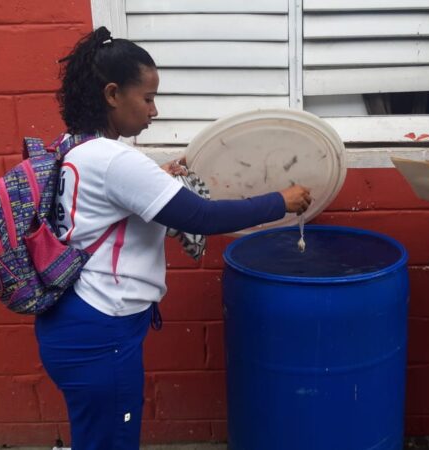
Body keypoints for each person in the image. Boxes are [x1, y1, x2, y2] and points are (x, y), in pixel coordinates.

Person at [35, 26, 312, 450]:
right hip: (100, 332)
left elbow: (107, 208)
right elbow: (200, 215)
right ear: (112, 94)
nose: (154, 110)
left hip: (74, 323)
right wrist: (281, 201)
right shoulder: (114, 159)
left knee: (98, 437)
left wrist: (153, 182)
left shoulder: (75, 148)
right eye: (147, 98)